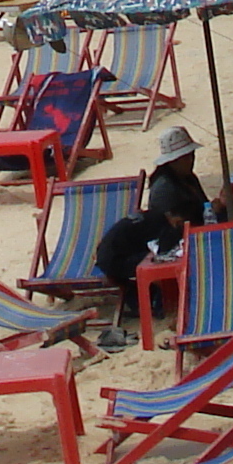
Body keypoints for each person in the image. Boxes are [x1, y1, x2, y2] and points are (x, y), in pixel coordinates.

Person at [95, 123, 216, 346]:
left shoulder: (187, 179)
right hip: (122, 253)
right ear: (173, 161)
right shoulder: (164, 189)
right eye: (185, 157)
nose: (191, 160)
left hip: (140, 242)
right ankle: (162, 302)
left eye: (191, 155)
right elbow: (167, 235)